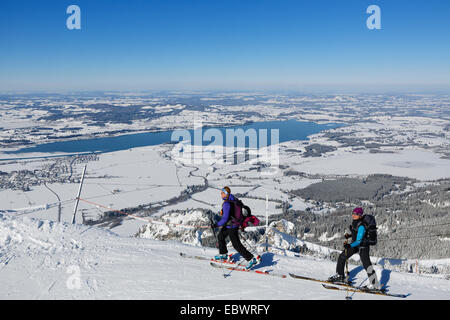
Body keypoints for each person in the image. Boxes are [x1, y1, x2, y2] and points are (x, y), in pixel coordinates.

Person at [328, 207, 381, 290]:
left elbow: (359, 240)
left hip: (363, 246)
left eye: (356, 214)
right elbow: (356, 234)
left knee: (367, 265)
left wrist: (349, 245)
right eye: (353, 213)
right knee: (342, 257)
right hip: (356, 245)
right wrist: (349, 235)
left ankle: (374, 284)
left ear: (360, 215)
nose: (353, 215)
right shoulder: (356, 222)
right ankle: (340, 276)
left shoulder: (361, 226)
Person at [212, 186, 260, 270]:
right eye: (221, 193)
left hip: (232, 225)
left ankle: (251, 259)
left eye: (222, 193)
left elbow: (225, 218)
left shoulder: (227, 203)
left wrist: (216, 224)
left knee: (236, 245)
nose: (221, 194)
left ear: (226, 194)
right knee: (221, 236)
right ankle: (223, 255)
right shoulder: (234, 199)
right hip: (231, 224)